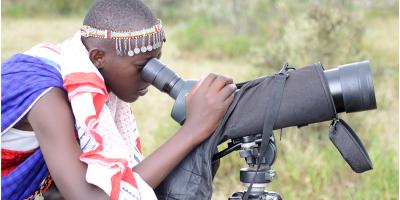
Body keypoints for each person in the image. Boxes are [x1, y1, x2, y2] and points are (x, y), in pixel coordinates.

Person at [1, 0, 236, 199]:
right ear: (98, 57)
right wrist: (193, 130)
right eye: (142, 66)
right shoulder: (49, 100)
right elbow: (86, 196)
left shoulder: (82, 78)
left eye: (157, 61)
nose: (151, 77)